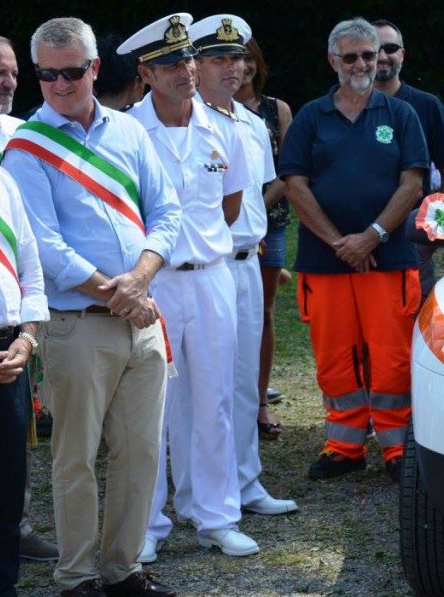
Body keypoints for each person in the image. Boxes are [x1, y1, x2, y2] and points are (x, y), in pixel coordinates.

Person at [2, 17, 179, 597]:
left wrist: (140, 279)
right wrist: (119, 292)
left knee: (142, 451)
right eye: (48, 74)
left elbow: (167, 212)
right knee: (75, 456)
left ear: (95, 68)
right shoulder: (28, 146)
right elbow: (45, 247)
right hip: (78, 323)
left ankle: (123, 566)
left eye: (72, 72)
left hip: (140, 314)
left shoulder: (129, 131)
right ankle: (77, 575)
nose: (60, 84)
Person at [121, 13, 258, 561]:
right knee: (150, 404)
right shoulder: (126, 131)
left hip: (211, 278)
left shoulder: (225, 127)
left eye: (187, 60)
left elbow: (230, 205)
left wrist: (198, 248)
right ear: (146, 74)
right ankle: (147, 524)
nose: (185, 71)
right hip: (154, 283)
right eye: (170, 64)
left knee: (214, 398)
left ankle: (216, 515)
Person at [279, 17, 428, 483]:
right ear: (333, 61)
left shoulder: (400, 114)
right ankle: (344, 446)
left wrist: (372, 236)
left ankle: (396, 448)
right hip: (325, 262)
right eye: (351, 57)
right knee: (334, 355)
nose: (363, 64)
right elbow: (294, 184)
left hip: (388, 257)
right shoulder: (310, 117)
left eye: (369, 54)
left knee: (392, 355)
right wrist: (339, 243)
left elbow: (413, 183)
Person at [190, 14, 297, 518]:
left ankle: (246, 481)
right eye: (219, 58)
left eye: (237, 57)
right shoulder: (186, 121)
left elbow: (258, 194)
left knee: (243, 379)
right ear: (195, 64)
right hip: (204, 265)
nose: (232, 67)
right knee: (202, 387)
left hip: (248, 260)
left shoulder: (253, 124)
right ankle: (200, 491)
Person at [0, 32, 60, 565]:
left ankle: (15, 527)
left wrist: (27, 329)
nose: (8, 82)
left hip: (18, 311)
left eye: (14, 72)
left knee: (17, 436)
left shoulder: (24, 137)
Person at [0, 156, 60, 597]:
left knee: (5, 482)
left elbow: (31, 273)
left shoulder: (3, 180)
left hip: (9, 350)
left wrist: (27, 338)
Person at [371, 18, 444, 293]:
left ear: (402, 54)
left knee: (414, 317)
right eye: (374, 49)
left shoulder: (427, 105)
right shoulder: (349, 108)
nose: (382, 56)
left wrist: (430, 238)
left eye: (390, 48)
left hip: (411, 242)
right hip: (360, 240)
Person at [235, 37, 292, 440]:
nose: (243, 66)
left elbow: (288, 171)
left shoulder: (276, 110)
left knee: (263, 312)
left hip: (270, 221)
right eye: (233, 58)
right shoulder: (205, 111)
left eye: (248, 58)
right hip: (230, 226)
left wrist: (255, 208)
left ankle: (258, 402)